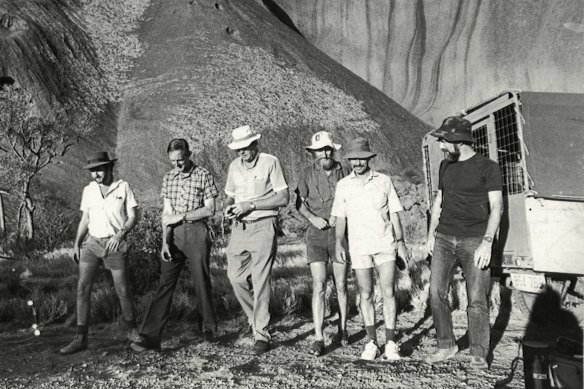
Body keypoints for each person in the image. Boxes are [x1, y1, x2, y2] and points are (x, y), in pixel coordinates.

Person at [424, 116, 503, 370]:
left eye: (444, 141)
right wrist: (430, 234)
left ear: (459, 141)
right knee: (436, 293)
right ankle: (446, 345)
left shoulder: (488, 167)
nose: (441, 146)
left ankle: (479, 352)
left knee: (477, 298)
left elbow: (497, 207)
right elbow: (439, 201)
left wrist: (487, 242)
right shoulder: (445, 166)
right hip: (444, 238)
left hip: (475, 240)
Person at [131, 138, 219, 352]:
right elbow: (166, 214)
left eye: (180, 160)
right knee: (165, 283)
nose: (177, 165)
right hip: (173, 235)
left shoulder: (203, 175)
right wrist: (164, 241)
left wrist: (182, 217)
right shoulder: (168, 178)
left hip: (197, 231)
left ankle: (209, 330)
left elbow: (209, 209)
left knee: (201, 281)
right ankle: (150, 337)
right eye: (172, 161)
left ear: (188, 154)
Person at [331, 138, 410, 361]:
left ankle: (391, 342)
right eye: (353, 158)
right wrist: (339, 242)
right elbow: (340, 218)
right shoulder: (343, 185)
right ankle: (372, 341)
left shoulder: (384, 181)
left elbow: (394, 213)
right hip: (359, 246)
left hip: (385, 244)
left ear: (369, 158)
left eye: (361, 158)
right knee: (365, 294)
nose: (357, 162)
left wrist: (401, 241)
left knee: (388, 292)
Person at [60, 151, 140, 354]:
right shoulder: (88, 190)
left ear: (109, 168)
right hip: (92, 243)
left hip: (115, 245)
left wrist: (120, 235)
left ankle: (132, 332)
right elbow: (85, 219)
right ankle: (81, 337)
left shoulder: (123, 187)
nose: (96, 174)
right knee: (82, 288)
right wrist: (77, 243)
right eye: (93, 170)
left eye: (100, 169)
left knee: (122, 290)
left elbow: (133, 216)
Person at [223, 125, 289, 355]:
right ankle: (255, 320)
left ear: (255, 144)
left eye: (245, 147)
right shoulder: (233, 167)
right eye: (238, 148)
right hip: (239, 227)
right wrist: (227, 209)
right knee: (235, 277)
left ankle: (261, 333)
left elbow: (283, 197)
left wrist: (250, 205)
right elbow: (230, 196)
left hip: (264, 225)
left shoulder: (271, 162)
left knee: (261, 280)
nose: (242, 152)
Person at [295, 131, 351, 356]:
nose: (325, 153)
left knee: (341, 285)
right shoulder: (306, 173)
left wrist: (341, 215)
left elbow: (352, 198)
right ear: (314, 153)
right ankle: (318, 336)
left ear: (333, 151)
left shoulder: (344, 171)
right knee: (319, 285)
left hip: (340, 235)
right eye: (320, 150)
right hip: (316, 236)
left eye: (328, 149)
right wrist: (312, 218)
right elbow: (299, 203)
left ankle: (343, 329)